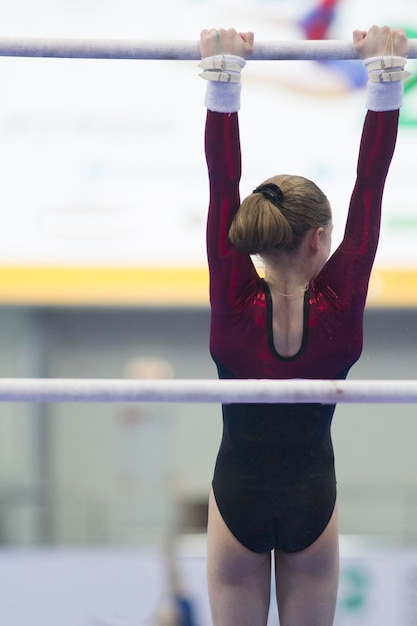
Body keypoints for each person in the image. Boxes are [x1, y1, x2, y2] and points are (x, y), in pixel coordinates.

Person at [199, 25, 409, 626]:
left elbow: (221, 185)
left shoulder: (234, 299)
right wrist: (386, 71)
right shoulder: (340, 305)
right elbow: (372, 187)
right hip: (312, 499)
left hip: (236, 495)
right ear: (320, 238)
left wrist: (223, 73)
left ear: (257, 238)